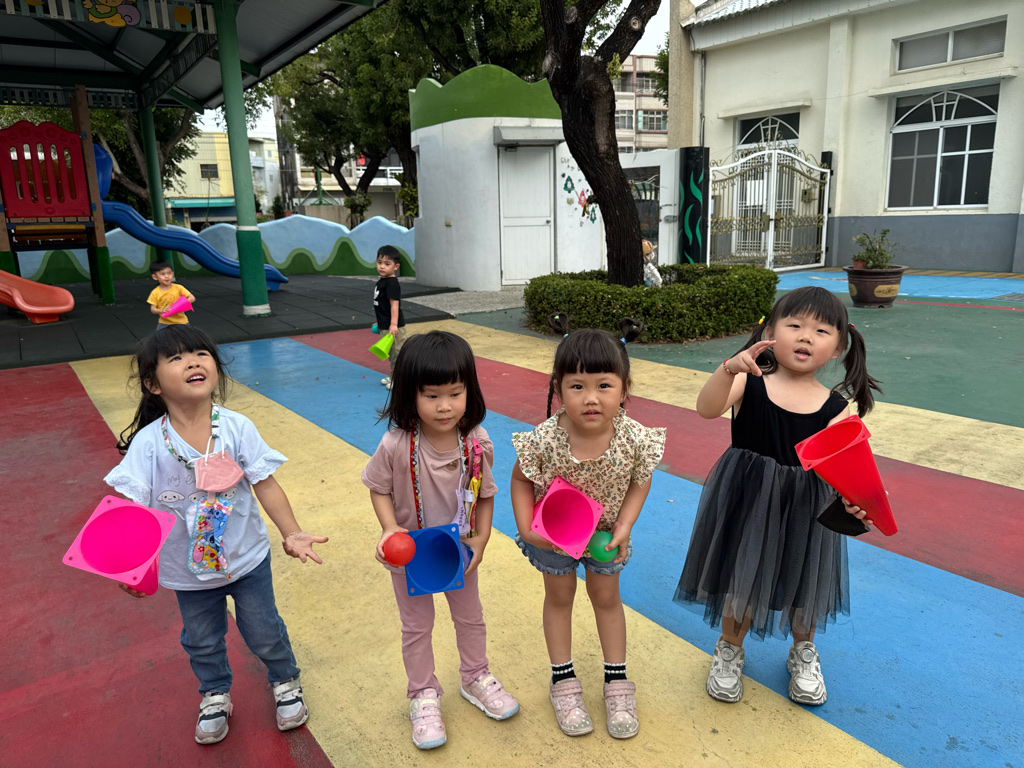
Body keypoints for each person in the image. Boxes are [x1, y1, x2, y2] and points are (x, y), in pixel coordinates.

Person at [104, 325, 328, 745]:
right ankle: (214, 693)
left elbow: (265, 483)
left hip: (246, 558)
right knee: (202, 639)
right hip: (186, 571)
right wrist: (134, 566)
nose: (192, 361)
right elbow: (135, 511)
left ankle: (285, 679)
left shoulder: (236, 427)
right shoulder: (149, 444)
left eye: (200, 353)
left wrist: (293, 532)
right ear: (153, 384)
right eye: (176, 358)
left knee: (263, 629)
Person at [673, 286, 882, 707]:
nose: (806, 336)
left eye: (821, 331)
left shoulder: (836, 408)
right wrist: (729, 368)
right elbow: (706, 408)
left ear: (839, 347)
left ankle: (803, 651)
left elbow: (850, 468)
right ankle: (730, 648)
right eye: (795, 325)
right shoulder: (749, 383)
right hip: (747, 499)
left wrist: (856, 501)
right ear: (770, 332)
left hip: (807, 506)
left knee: (804, 578)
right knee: (741, 574)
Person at [361, 330, 519, 751]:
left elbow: (485, 494)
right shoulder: (395, 444)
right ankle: (423, 693)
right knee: (416, 626)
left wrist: (481, 539)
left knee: (471, 618)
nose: (444, 406)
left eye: (455, 393)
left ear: (470, 390)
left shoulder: (476, 442)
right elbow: (378, 488)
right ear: (408, 394)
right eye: (431, 395)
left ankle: (475, 676)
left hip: (458, 551)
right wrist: (389, 529)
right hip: (410, 554)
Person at [510, 315, 666, 740]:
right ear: (558, 388)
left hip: (607, 537)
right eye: (577, 386)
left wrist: (625, 524)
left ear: (625, 389)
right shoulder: (545, 438)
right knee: (559, 598)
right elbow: (521, 479)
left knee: (607, 599)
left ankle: (616, 680)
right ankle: (562, 679)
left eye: (604, 385)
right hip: (552, 538)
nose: (591, 398)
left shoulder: (633, 438)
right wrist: (526, 528)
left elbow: (641, 479)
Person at [373, 245, 407, 390]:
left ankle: (400, 380)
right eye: (379, 262)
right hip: (385, 325)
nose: (382, 266)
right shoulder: (382, 281)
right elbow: (383, 305)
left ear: (395, 266)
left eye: (387, 264)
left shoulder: (392, 283)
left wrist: (393, 324)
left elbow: (394, 305)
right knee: (391, 353)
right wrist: (380, 322)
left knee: (397, 354)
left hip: (394, 327)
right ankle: (394, 375)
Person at [148, 259, 195, 328]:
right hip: (164, 323)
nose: (167, 276)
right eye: (163, 274)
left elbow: (192, 298)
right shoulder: (155, 292)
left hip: (181, 322)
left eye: (169, 273)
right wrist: (162, 310)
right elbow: (153, 309)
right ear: (155, 277)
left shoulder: (179, 288)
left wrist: (178, 306)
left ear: (172, 274)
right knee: (161, 335)